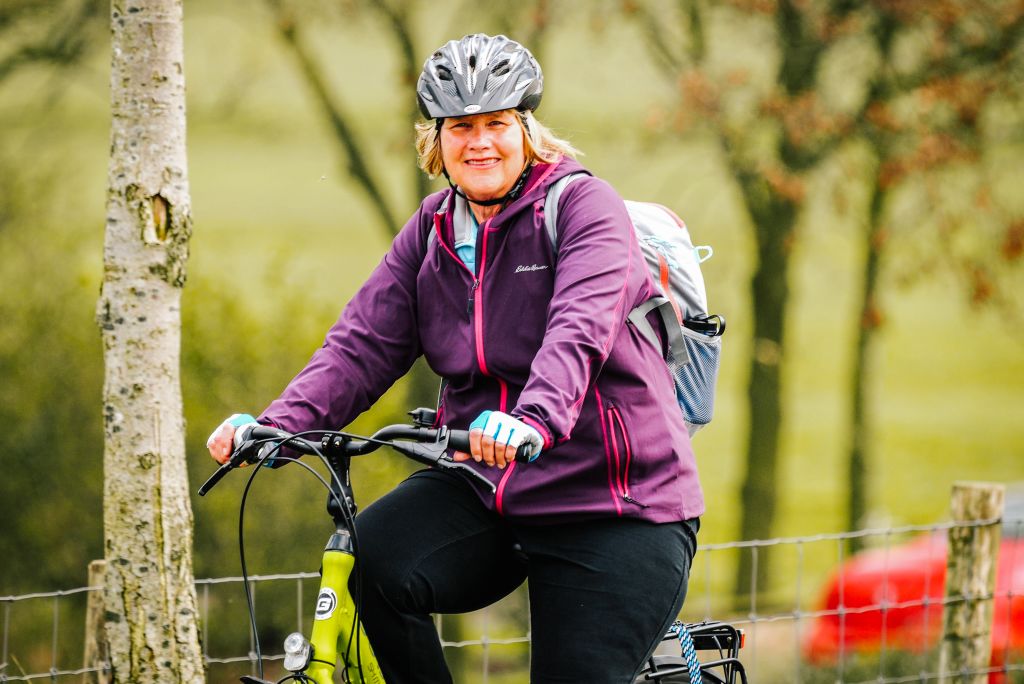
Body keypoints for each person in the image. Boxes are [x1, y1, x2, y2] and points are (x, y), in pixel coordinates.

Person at [208, 33, 704, 684]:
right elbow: (363, 341)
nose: (480, 143)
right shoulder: (434, 229)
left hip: (614, 504)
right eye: (461, 126)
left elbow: (577, 329)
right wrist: (277, 425)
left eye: (497, 123)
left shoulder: (585, 209)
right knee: (376, 557)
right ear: (435, 140)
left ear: (527, 131)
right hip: (489, 488)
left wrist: (532, 419)